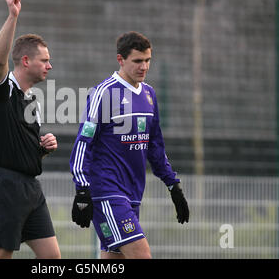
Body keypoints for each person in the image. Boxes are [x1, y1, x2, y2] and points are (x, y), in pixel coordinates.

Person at [69, 31, 189, 259]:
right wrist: (82, 189)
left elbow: (155, 147)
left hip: (133, 193)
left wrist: (173, 186)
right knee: (141, 255)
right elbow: (83, 142)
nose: (143, 67)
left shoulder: (149, 94)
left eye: (147, 60)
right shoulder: (104, 93)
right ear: (120, 60)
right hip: (107, 191)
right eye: (137, 61)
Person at [0, 0, 61, 259]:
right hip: (3, 185)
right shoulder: (2, 89)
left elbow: (21, 145)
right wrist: (13, 16)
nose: (50, 65)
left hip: (30, 188)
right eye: (45, 60)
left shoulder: (31, 101)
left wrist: (42, 148)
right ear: (26, 61)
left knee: (52, 258)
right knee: (1, 256)